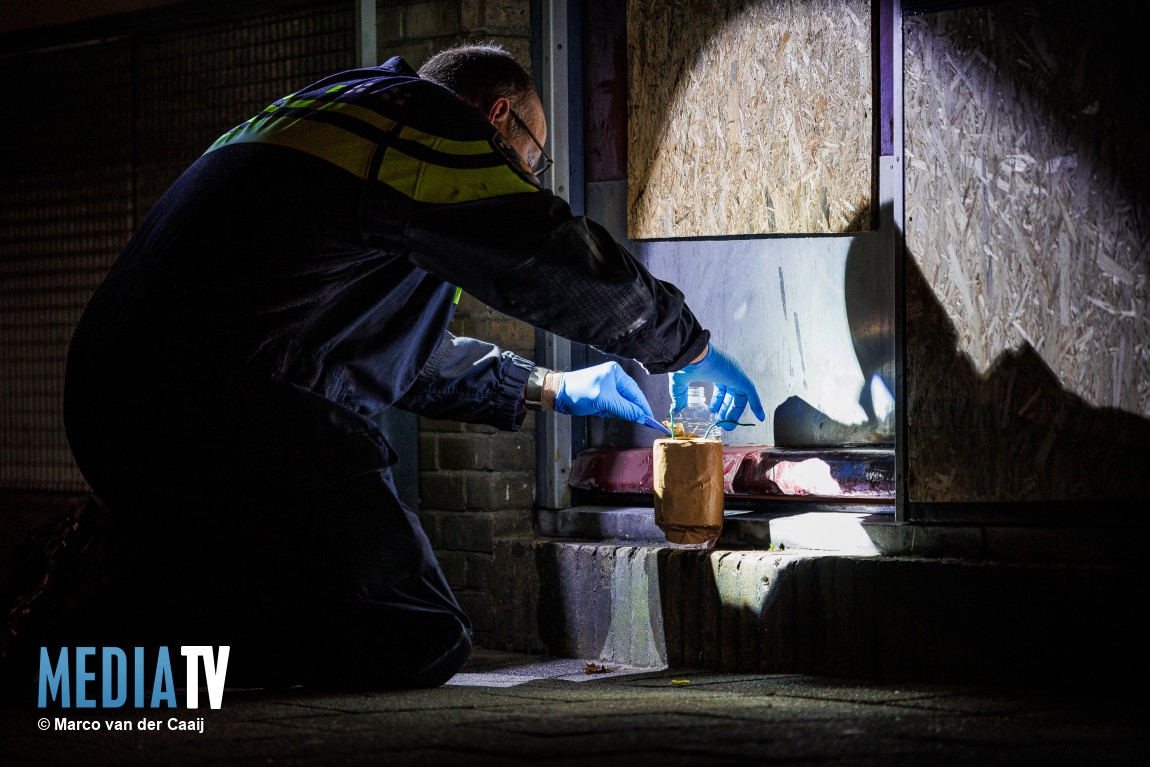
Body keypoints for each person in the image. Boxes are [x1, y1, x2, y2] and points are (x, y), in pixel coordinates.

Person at [50, 44, 763, 689]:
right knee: (414, 632)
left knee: (289, 591)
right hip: (224, 408)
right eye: (533, 161)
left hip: (125, 404)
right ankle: (122, 642)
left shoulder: (343, 114)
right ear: (498, 116)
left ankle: (124, 618)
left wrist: (548, 387)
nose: (525, 179)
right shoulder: (428, 125)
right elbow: (542, 250)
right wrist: (686, 345)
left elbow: (372, 349)